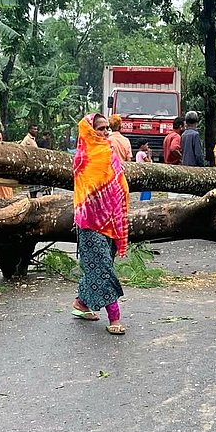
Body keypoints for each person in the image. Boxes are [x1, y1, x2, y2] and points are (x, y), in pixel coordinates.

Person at [72, 113, 130, 335]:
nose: (106, 132)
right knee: (103, 268)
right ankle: (114, 317)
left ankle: (81, 303)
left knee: (97, 265)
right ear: (89, 131)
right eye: (101, 128)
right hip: (90, 223)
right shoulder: (83, 158)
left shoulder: (110, 153)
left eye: (107, 128)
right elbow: (86, 192)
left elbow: (118, 185)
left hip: (111, 221)